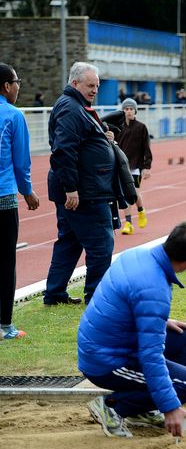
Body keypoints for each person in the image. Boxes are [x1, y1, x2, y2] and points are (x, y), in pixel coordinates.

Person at [78, 221, 186, 438]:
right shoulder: (153, 288)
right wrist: (170, 406)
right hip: (105, 361)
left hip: (103, 343)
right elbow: (150, 356)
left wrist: (158, 321)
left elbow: (120, 303)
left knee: (183, 339)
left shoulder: (137, 254)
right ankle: (112, 406)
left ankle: (141, 408)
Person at [44, 62, 116, 306]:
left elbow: (80, 141)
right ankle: (96, 296)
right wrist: (71, 187)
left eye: (97, 86)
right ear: (75, 83)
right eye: (90, 85)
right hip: (84, 191)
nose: (95, 90)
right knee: (101, 243)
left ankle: (54, 293)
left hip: (84, 187)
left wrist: (103, 135)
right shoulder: (70, 108)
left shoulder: (76, 106)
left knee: (69, 242)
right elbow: (63, 150)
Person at [1, 63, 40, 340]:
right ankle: (5, 326)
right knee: (5, 262)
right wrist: (27, 192)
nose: (18, 87)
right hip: (4, 199)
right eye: (17, 82)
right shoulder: (13, 116)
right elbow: (21, 162)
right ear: (6, 86)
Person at [112, 98, 153, 235]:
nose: (128, 111)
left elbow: (147, 148)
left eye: (131, 109)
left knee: (134, 193)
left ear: (135, 111)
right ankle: (128, 223)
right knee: (125, 195)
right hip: (121, 167)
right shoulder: (117, 128)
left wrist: (147, 166)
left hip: (135, 166)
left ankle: (141, 210)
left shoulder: (141, 127)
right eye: (126, 109)